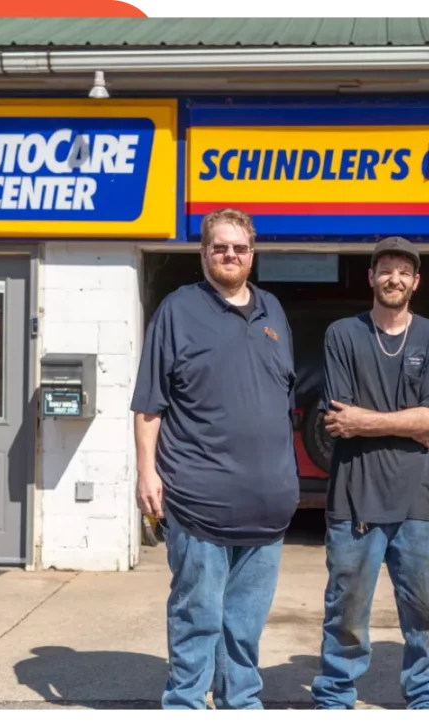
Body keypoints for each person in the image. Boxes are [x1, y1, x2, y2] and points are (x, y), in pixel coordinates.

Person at [130, 208, 299, 712]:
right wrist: (146, 473)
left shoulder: (273, 311)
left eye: (240, 248)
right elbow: (148, 406)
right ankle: (184, 702)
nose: (231, 255)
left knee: (245, 624)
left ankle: (240, 703)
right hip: (198, 498)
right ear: (204, 253)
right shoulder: (178, 311)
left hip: (268, 507)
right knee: (197, 616)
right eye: (220, 247)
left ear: (253, 254)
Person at [310, 236, 429, 712]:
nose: (394, 278)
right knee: (345, 611)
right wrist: (406, 421)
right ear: (372, 277)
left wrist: (367, 421)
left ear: (416, 281)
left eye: (404, 271)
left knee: (423, 614)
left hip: (418, 503)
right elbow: (337, 419)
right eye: (385, 269)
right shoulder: (342, 334)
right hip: (354, 500)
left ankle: (425, 700)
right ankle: (334, 697)